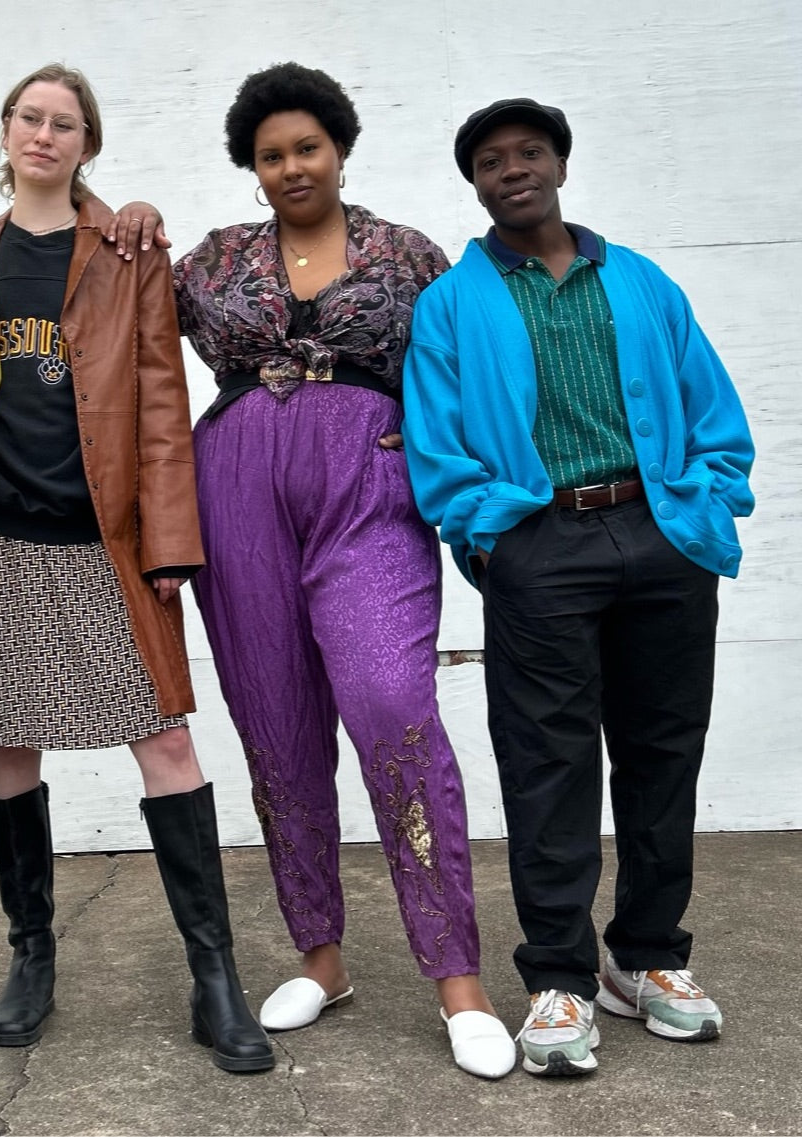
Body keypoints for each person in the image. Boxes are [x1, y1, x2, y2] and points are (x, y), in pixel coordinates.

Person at [169, 63, 515, 1079]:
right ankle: (321, 959)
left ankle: (457, 976)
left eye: (305, 147)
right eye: (271, 154)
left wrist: (480, 493)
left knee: (390, 705)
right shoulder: (211, 260)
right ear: (253, 165)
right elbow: (117, 310)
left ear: (339, 148)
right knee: (275, 728)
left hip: (369, 492)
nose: (290, 167)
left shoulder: (409, 255)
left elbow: (464, 367)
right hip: (235, 499)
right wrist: (123, 211)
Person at [402, 98, 755, 1077]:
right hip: (540, 543)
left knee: (660, 754)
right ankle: (557, 978)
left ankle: (644, 960)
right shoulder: (452, 305)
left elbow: (710, 409)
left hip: (661, 535)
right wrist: (498, 542)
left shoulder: (638, 282)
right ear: (472, 181)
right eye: (490, 160)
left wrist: (707, 508)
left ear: (558, 162)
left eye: (528, 153)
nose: (512, 170)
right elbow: (436, 450)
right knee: (548, 761)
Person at [0, 64, 274, 1075]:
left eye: (64, 123)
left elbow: (160, 397)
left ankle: (213, 977)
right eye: (28, 119)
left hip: (104, 541)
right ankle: (30, 956)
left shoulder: (125, 247)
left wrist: (171, 541)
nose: (43, 136)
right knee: (10, 751)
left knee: (167, 749)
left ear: (88, 142)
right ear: (4, 133)